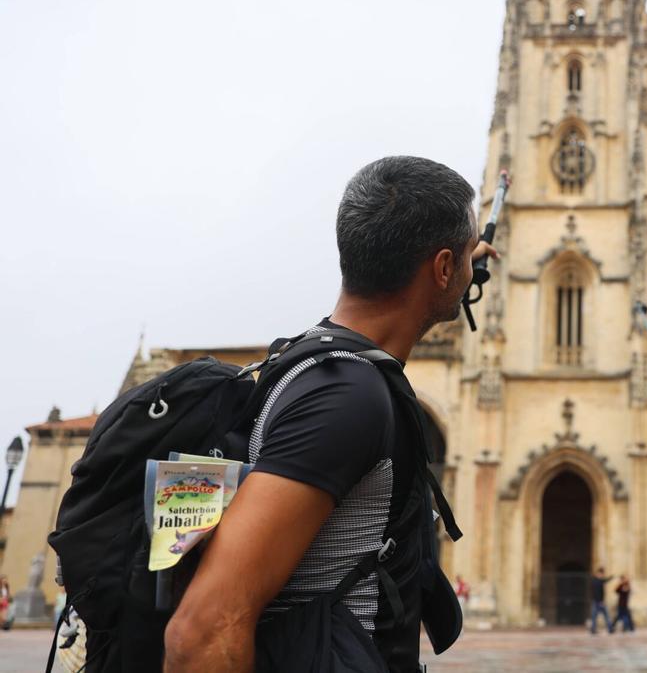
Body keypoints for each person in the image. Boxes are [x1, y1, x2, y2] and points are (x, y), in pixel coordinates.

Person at [163, 156, 498, 672]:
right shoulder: (346, 397)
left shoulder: (315, 363)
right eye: (461, 262)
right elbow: (204, 628)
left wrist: (457, 259)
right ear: (443, 267)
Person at [588, 567, 614, 635]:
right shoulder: (597, 582)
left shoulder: (596, 581)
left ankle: (594, 629)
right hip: (599, 601)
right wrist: (601, 601)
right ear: (599, 573)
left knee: (595, 616)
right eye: (602, 574)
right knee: (605, 615)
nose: (602, 575)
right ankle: (609, 628)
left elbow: (605, 580)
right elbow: (597, 592)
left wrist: (611, 577)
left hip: (596, 601)